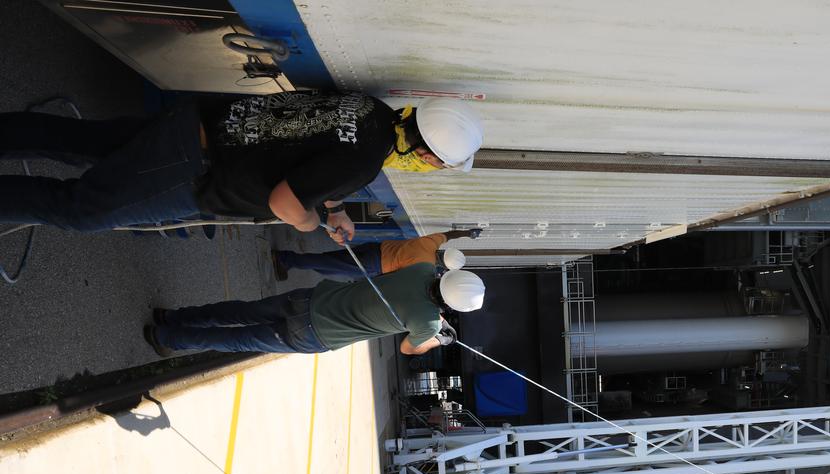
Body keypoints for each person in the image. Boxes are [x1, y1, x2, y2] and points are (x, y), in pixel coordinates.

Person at [0, 93, 483, 237]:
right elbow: (284, 201)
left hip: (193, 125)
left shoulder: (371, 109)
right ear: (426, 154)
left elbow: (310, 148)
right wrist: (312, 221)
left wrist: (332, 206)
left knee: (77, 141)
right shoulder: (366, 162)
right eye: (441, 164)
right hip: (195, 168)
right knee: (80, 210)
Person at [142, 264, 485, 356]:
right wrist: (439, 340)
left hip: (312, 299)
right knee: (238, 341)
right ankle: (168, 337)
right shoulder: (425, 323)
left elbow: (410, 296)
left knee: (240, 311)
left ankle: (171, 317)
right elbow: (409, 347)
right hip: (315, 334)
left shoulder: (422, 270)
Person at [272, 227, 482, 281]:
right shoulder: (426, 267)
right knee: (329, 264)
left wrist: (467, 233)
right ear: (444, 266)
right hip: (374, 265)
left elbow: (449, 234)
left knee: (331, 262)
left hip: (374, 248)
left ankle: (291, 261)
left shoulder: (431, 242)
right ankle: (285, 259)